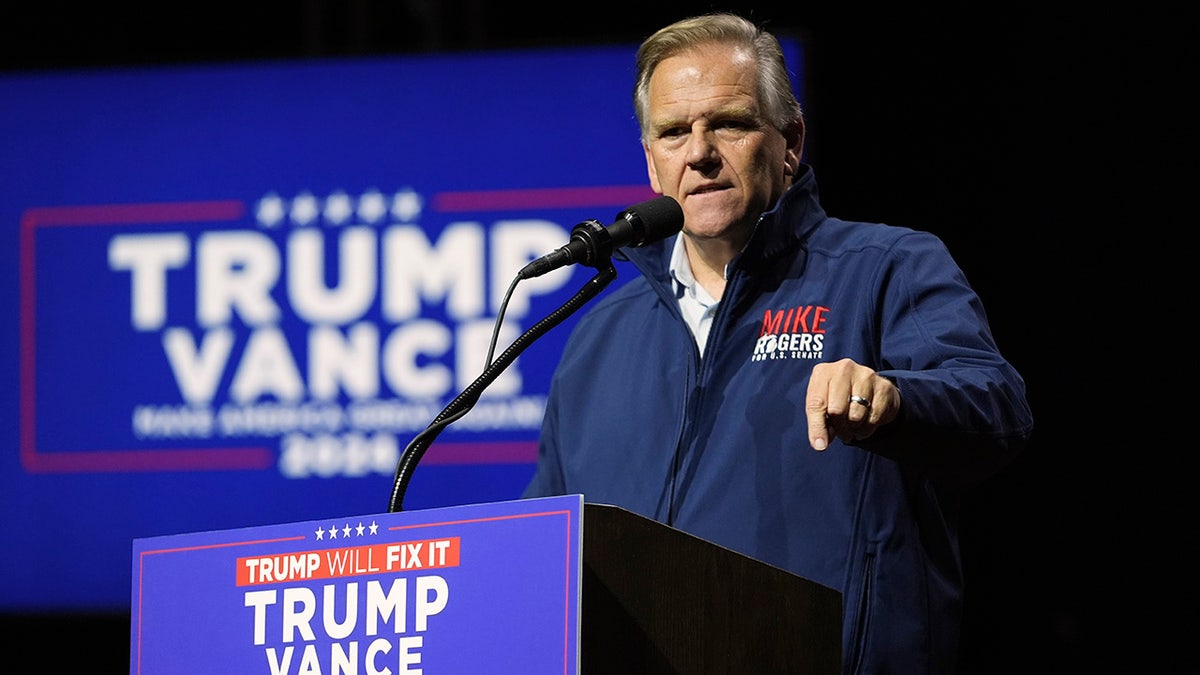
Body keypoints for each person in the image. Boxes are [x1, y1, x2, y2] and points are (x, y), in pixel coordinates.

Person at [522, 12, 1034, 675]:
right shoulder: (599, 334)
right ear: (652, 163)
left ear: (790, 141)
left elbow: (999, 407)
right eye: (674, 132)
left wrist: (896, 398)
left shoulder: (886, 267)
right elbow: (544, 547)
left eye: (728, 123)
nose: (699, 152)